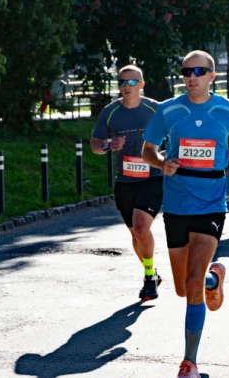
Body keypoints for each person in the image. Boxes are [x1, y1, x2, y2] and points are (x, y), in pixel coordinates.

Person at [141, 50, 229, 378]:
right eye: (186, 71)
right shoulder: (168, 110)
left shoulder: (227, 109)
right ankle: (213, 278)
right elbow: (147, 150)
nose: (191, 76)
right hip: (176, 205)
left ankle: (189, 362)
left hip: (211, 203)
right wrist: (161, 162)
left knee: (190, 282)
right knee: (184, 287)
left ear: (211, 76)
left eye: (198, 70)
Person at [90, 65, 164, 302]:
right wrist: (108, 146)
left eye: (132, 82)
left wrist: (166, 156)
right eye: (122, 82)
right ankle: (152, 270)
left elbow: (175, 133)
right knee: (135, 234)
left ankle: (149, 279)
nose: (126, 87)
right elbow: (95, 143)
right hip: (125, 181)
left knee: (141, 227)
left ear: (141, 84)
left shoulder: (156, 108)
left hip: (152, 178)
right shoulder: (110, 112)